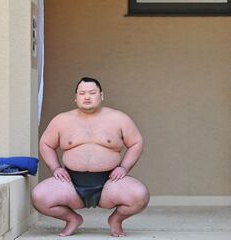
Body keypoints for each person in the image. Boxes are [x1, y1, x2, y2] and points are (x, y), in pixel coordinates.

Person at [32, 77, 150, 237]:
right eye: (82, 93)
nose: (87, 97)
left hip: (110, 181)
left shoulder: (119, 118)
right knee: (39, 197)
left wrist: (124, 167)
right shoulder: (62, 120)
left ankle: (116, 220)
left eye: (92, 93)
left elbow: (136, 143)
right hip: (71, 182)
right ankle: (72, 219)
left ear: (101, 95)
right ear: (75, 97)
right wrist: (55, 168)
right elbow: (46, 144)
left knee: (140, 196)